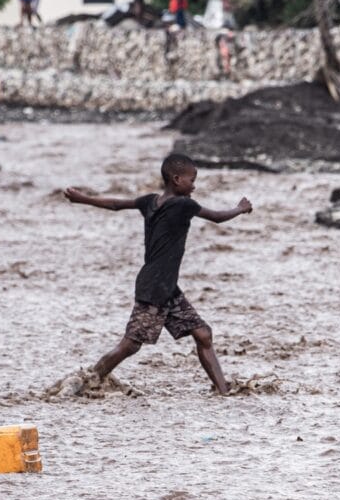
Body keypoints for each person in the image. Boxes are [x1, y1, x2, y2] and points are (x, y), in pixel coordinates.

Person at [62, 153, 253, 395]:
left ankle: (223, 391)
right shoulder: (184, 205)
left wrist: (83, 199)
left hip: (167, 288)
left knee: (203, 334)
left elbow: (115, 205)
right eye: (192, 180)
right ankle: (87, 382)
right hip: (154, 288)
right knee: (130, 344)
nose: (194, 186)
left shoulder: (150, 201)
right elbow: (216, 217)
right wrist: (240, 208)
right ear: (176, 179)